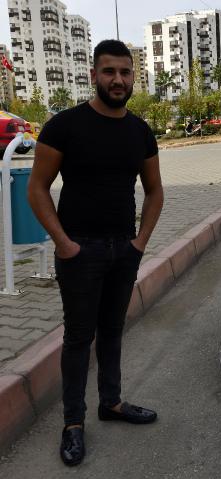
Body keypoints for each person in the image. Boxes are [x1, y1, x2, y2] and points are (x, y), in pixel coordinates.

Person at [27, 40, 164, 467]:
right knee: (78, 339)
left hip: (123, 249)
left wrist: (139, 242)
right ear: (93, 75)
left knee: (112, 331)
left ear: (132, 77)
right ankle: (72, 423)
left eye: (125, 72)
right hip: (79, 251)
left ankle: (112, 403)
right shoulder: (64, 126)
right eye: (109, 72)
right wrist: (64, 244)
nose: (118, 80)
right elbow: (37, 189)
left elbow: (155, 191)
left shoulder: (140, 130)